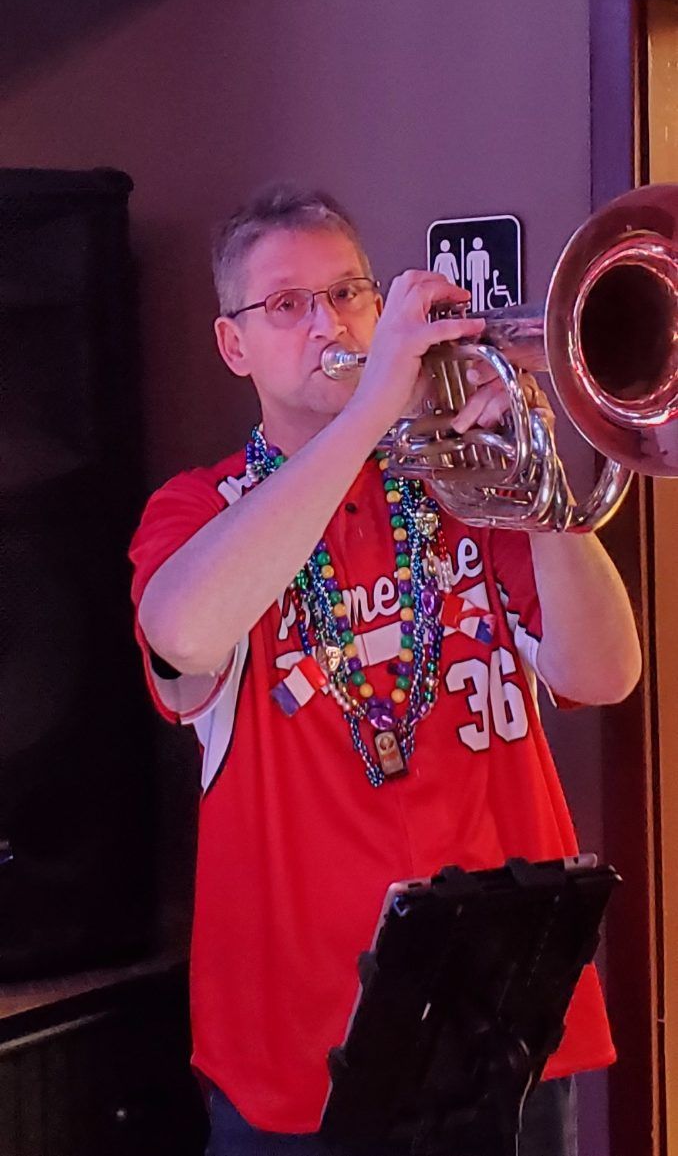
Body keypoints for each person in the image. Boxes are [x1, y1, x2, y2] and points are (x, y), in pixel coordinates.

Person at [129, 183, 641, 1156]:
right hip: (302, 1058)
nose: (327, 323)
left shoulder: (463, 487)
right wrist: (368, 412)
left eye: (348, 293)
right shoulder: (197, 509)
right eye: (287, 303)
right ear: (234, 344)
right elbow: (183, 636)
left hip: (509, 1028)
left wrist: (529, 469)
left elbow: (607, 670)